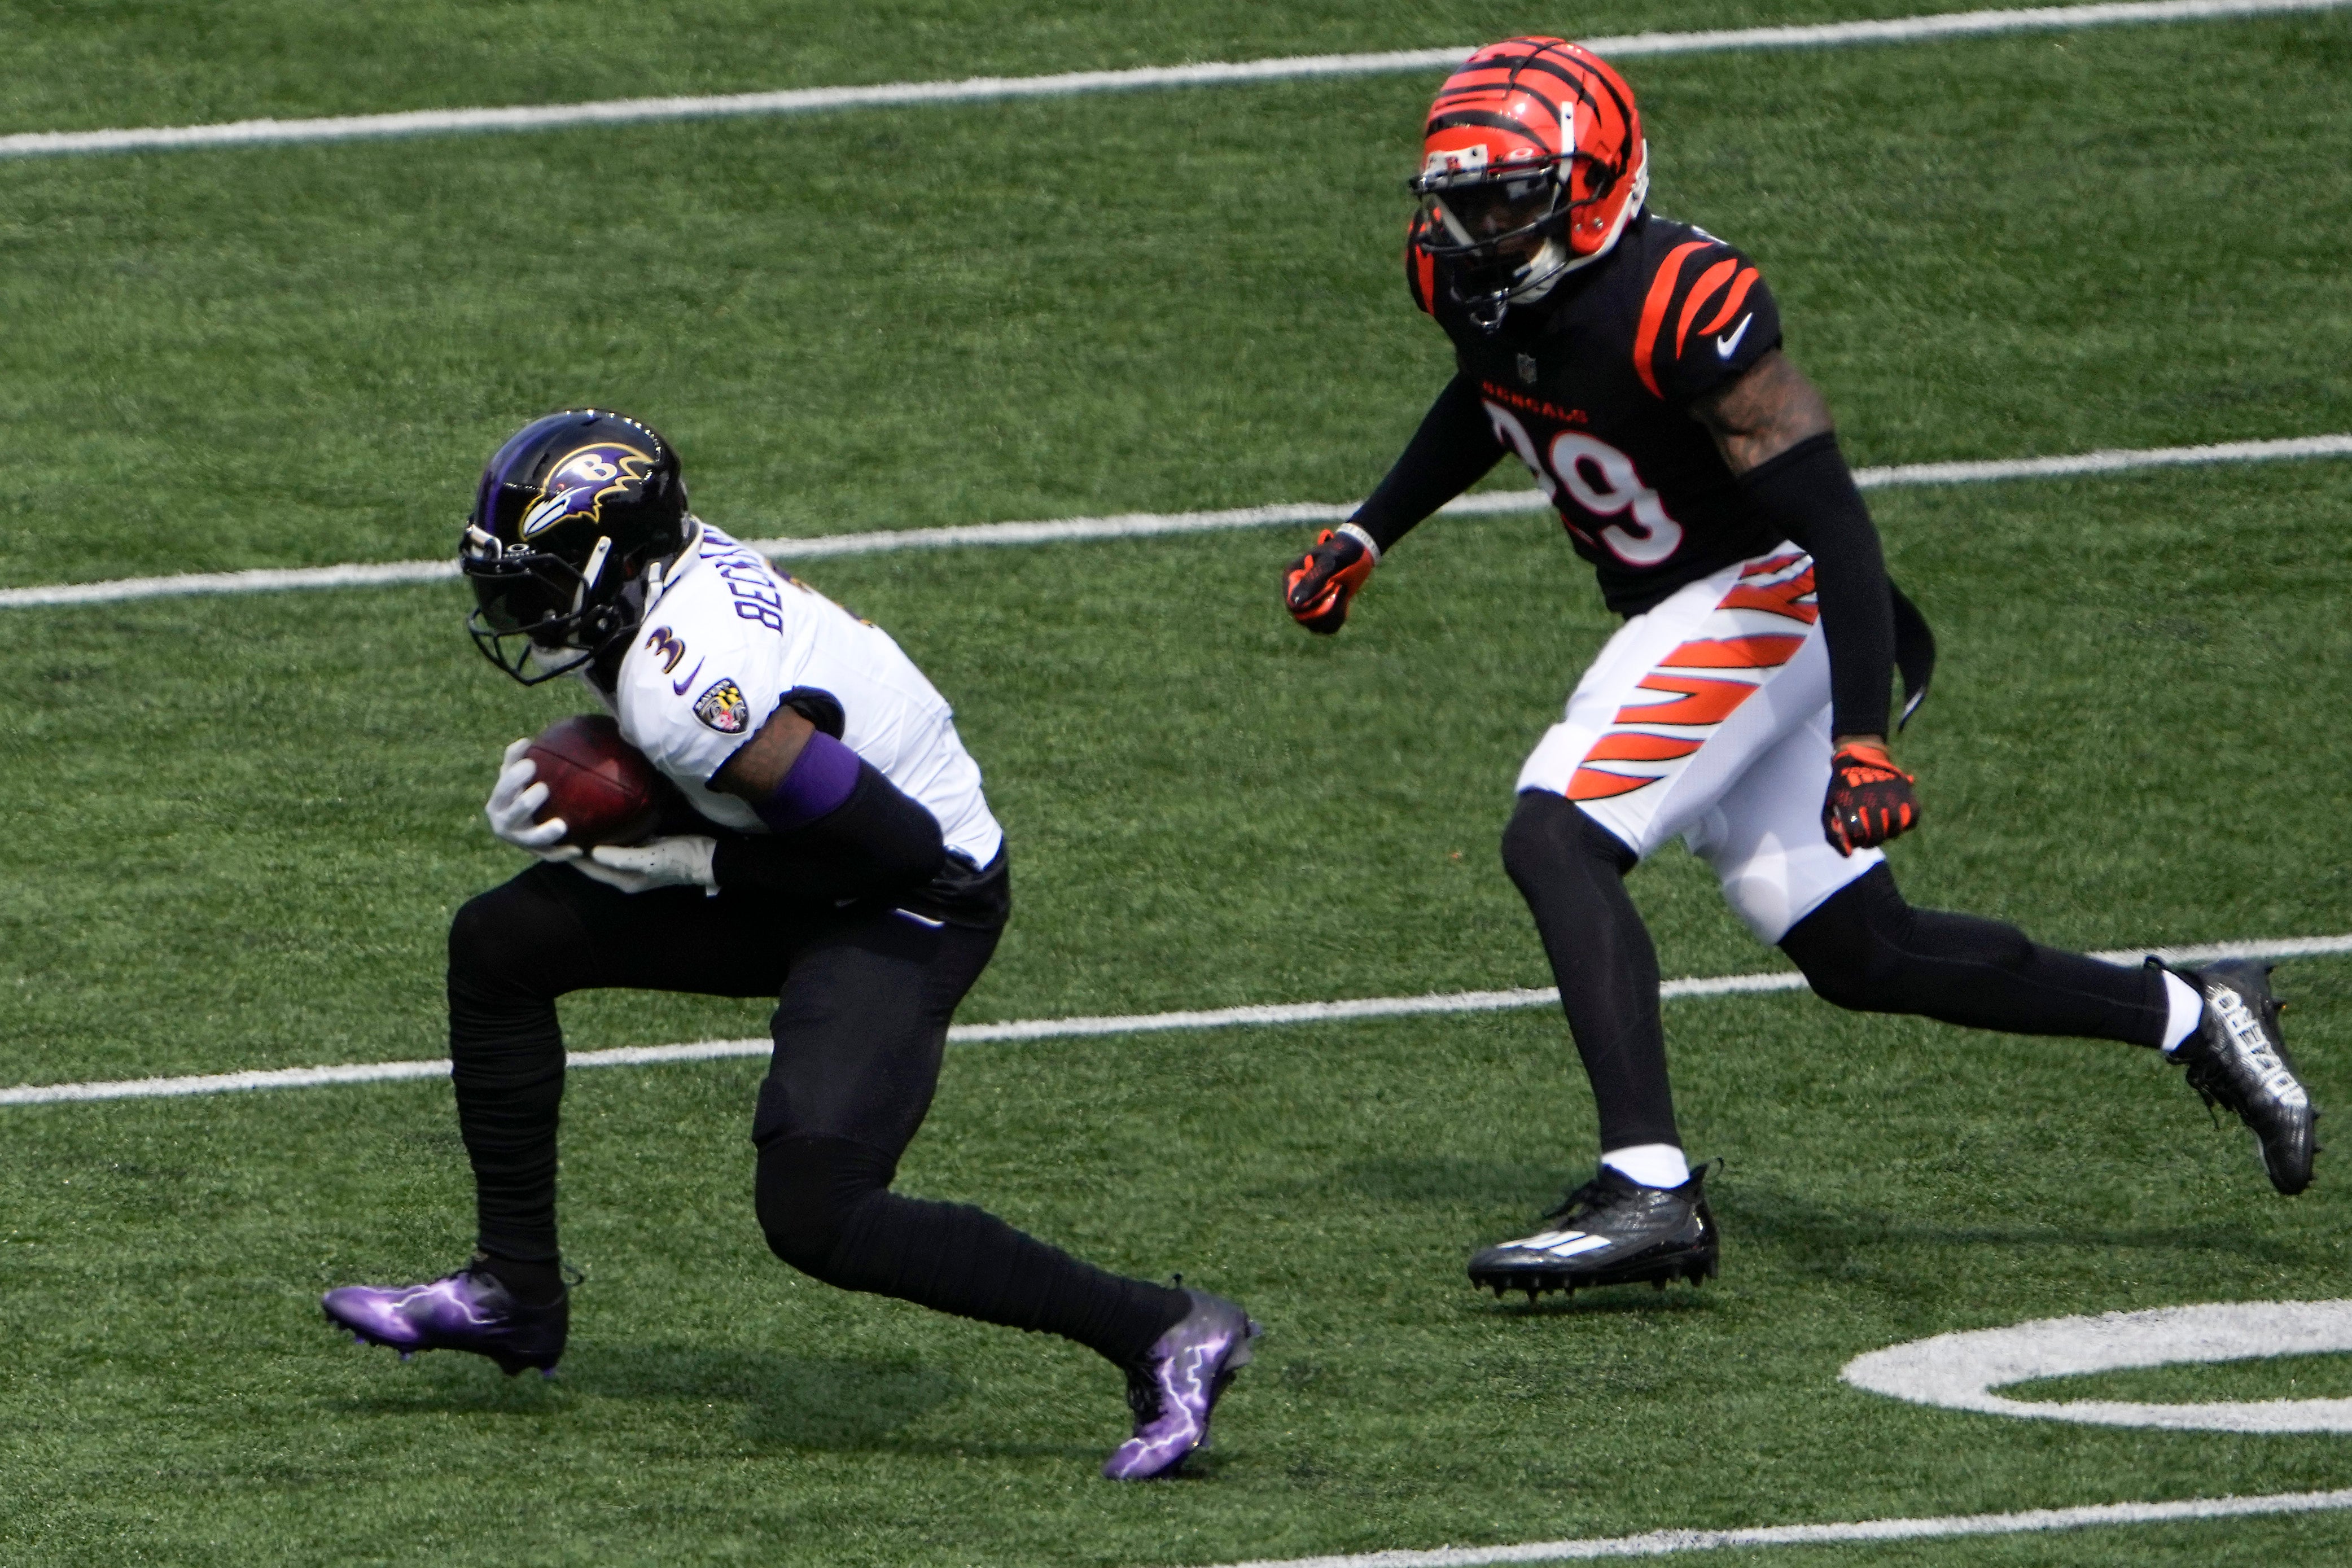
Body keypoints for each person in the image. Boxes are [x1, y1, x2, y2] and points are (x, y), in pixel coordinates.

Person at [1280, 39, 2316, 1299]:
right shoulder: (1468, 285)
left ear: (1594, 186)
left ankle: (1649, 1190)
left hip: (1774, 592)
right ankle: (2194, 1014)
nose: (1473, 227)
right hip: (1694, 609)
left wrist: (1862, 740)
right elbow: (1492, 388)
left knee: (1554, 836)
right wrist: (1369, 528)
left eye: (1507, 197)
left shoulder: (1681, 299)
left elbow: (1834, 527)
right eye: (1456, 198)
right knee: (1860, 950)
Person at [323, 409, 1256, 1479]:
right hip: (829, 851)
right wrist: (565, 795)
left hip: (918, 893)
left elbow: (898, 853)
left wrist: (694, 860)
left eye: (534, 581)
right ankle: (513, 1290)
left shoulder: (686, 681)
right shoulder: (653, 594)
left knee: (819, 1210)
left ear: (614, 562)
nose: (515, 609)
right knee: (499, 943)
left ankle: (1164, 1326)